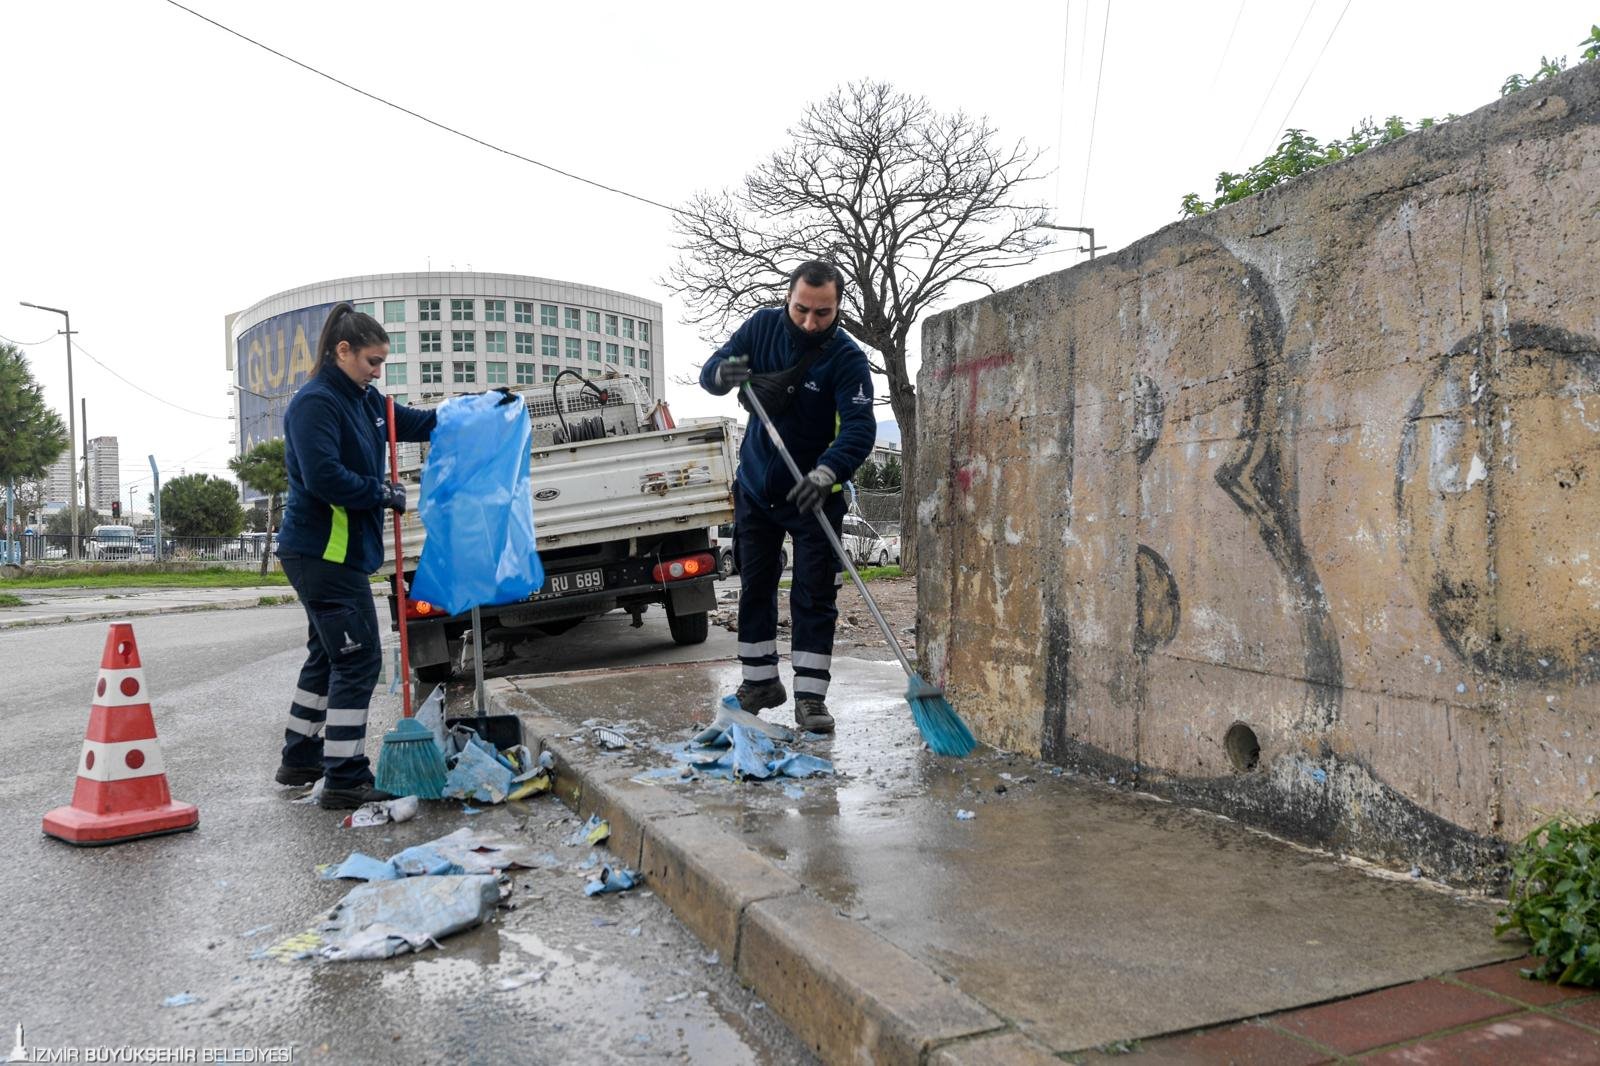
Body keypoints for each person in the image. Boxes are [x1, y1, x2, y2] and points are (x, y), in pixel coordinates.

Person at [272, 302, 438, 810]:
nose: (377, 370)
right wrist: (381, 491)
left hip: (337, 554)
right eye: (371, 360)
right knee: (358, 657)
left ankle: (300, 755)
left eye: (382, 362)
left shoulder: (363, 399)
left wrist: (476, 411)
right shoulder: (316, 403)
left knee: (327, 654)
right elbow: (322, 477)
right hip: (322, 554)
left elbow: (412, 422)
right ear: (342, 351)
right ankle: (344, 778)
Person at [700, 261, 876, 733]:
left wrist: (827, 472)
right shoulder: (761, 327)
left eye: (823, 313)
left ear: (837, 307)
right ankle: (760, 683)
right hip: (757, 488)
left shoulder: (847, 359)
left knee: (814, 594)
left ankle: (810, 698)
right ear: (789, 298)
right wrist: (724, 373)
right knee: (756, 585)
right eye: (802, 310)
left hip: (814, 496)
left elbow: (860, 429)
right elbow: (710, 373)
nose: (810, 323)